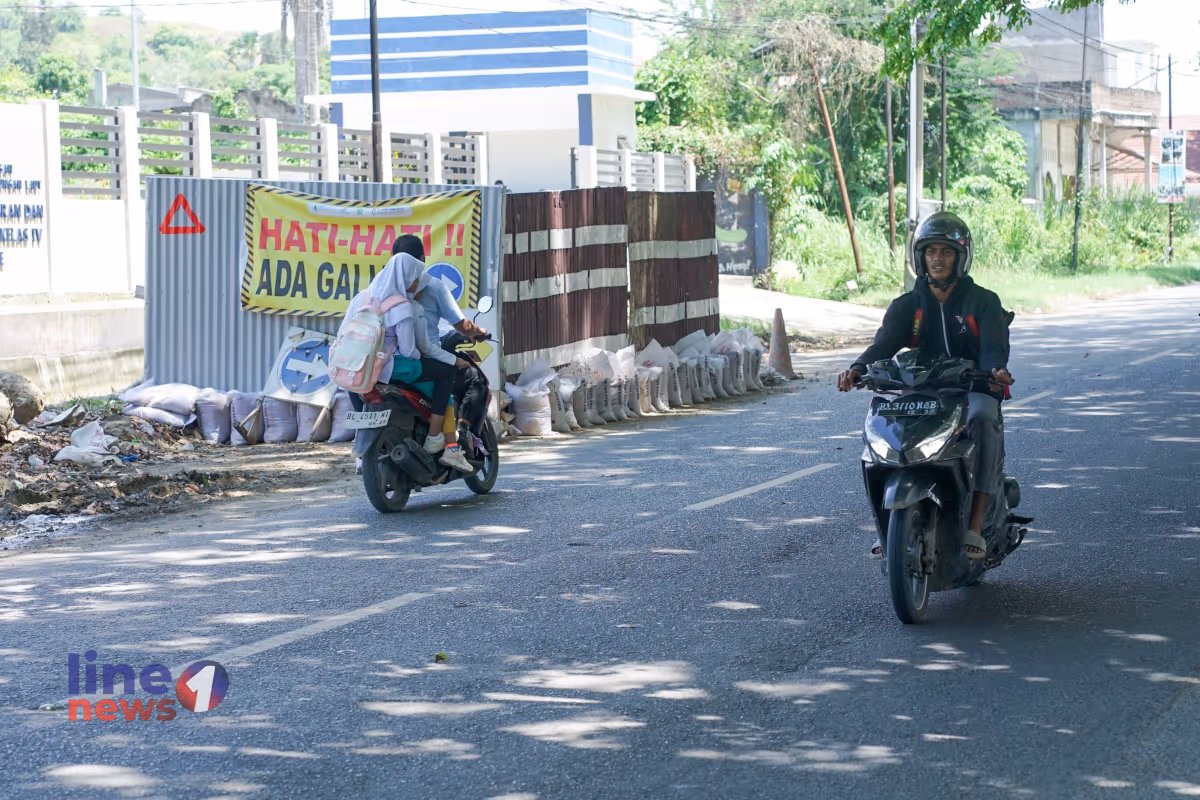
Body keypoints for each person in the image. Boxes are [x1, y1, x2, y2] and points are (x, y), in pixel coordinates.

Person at [836, 211, 1013, 560]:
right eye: (931, 251)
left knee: (981, 421)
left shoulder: (983, 302)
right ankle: (887, 527)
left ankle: (975, 524)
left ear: (960, 257)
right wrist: (858, 368)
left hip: (972, 389)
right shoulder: (908, 305)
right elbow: (884, 343)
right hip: (924, 390)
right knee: (882, 428)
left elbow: (994, 345)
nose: (937, 258)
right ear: (921, 257)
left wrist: (995, 370)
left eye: (946, 252)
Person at [342, 251, 475, 473]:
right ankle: (438, 438)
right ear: (405, 278)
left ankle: (361, 453)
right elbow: (411, 350)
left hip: (357, 368)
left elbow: (344, 332)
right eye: (415, 279)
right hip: (392, 368)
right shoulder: (406, 307)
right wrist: (448, 360)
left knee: (356, 393)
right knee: (445, 374)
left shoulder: (362, 298)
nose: (417, 285)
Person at [391, 234, 491, 436]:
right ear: (422, 259)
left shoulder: (380, 287)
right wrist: (480, 332)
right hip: (415, 362)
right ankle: (456, 438)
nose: (414, 291)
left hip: (388, 364)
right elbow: (429, 344)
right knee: (470, 378)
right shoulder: (427, 292)